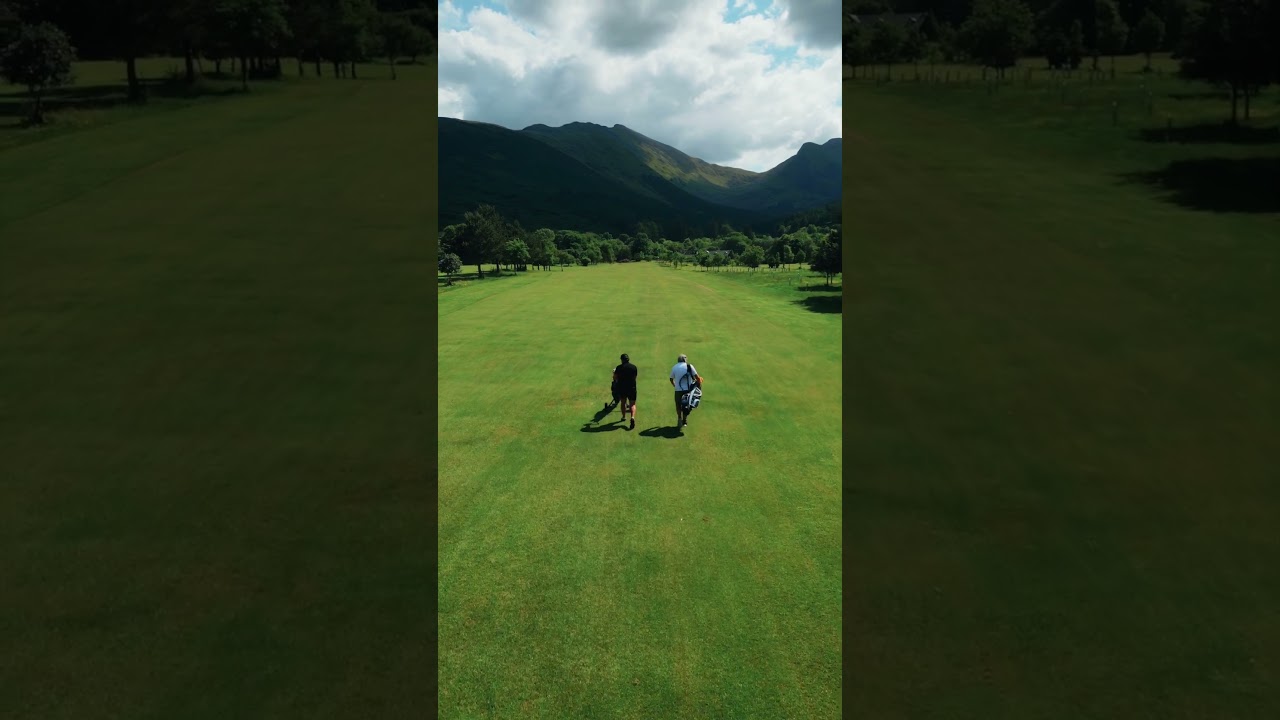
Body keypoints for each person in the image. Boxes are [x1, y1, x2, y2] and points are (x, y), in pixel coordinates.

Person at [669, 353, 702, 428]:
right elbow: (697, 377)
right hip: (688, 390)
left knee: (678, 405)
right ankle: (685, 421)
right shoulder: (689, 366)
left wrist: (674, 385)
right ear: (685, 359)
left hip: (678, 390)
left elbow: (671, 378)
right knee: (687, 405)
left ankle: (679, 419)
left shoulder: (674, 367)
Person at [613, 353, 639, 429]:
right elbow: (635, 377)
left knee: (623, 402)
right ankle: (632, 417)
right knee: (632, 404)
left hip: (622, 388)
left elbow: (615, 377)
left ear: (622, 360)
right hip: (632, 388)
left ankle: (624, 416)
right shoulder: (634, 367)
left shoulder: (618, 368)